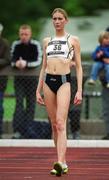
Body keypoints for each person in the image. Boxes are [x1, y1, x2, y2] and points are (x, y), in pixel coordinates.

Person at [36, 8, 83, 176]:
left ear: (66, 20)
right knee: (54, 126)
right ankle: (60, 160)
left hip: (64, 82)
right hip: (48, 81)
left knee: (61, 123)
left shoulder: (73, 40)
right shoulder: (46, 41)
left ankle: (61, 163)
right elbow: (43, 67)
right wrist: (38, 89)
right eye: (54, 18)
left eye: (60, 18)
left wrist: (79, 90)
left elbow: (78, 66)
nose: (57, 21)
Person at [11, 24, 42, 139]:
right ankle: (17, 130)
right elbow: (11, 59)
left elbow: (38, 60)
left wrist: (26, 64)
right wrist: (16, 63)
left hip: (32, 80)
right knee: (19, 103)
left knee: (31, 104)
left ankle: (28, 129)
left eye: (26, 34)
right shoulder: (15, 44)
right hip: (19, 79)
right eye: (22, 34)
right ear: (19, 34)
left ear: (30, 34)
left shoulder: (36, 45)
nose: (23, 36)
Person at [0, 23, 10, 138]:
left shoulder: (5, 44)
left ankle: (0, 131)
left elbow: (7, 59)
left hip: (0, 82)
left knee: (0, 108)